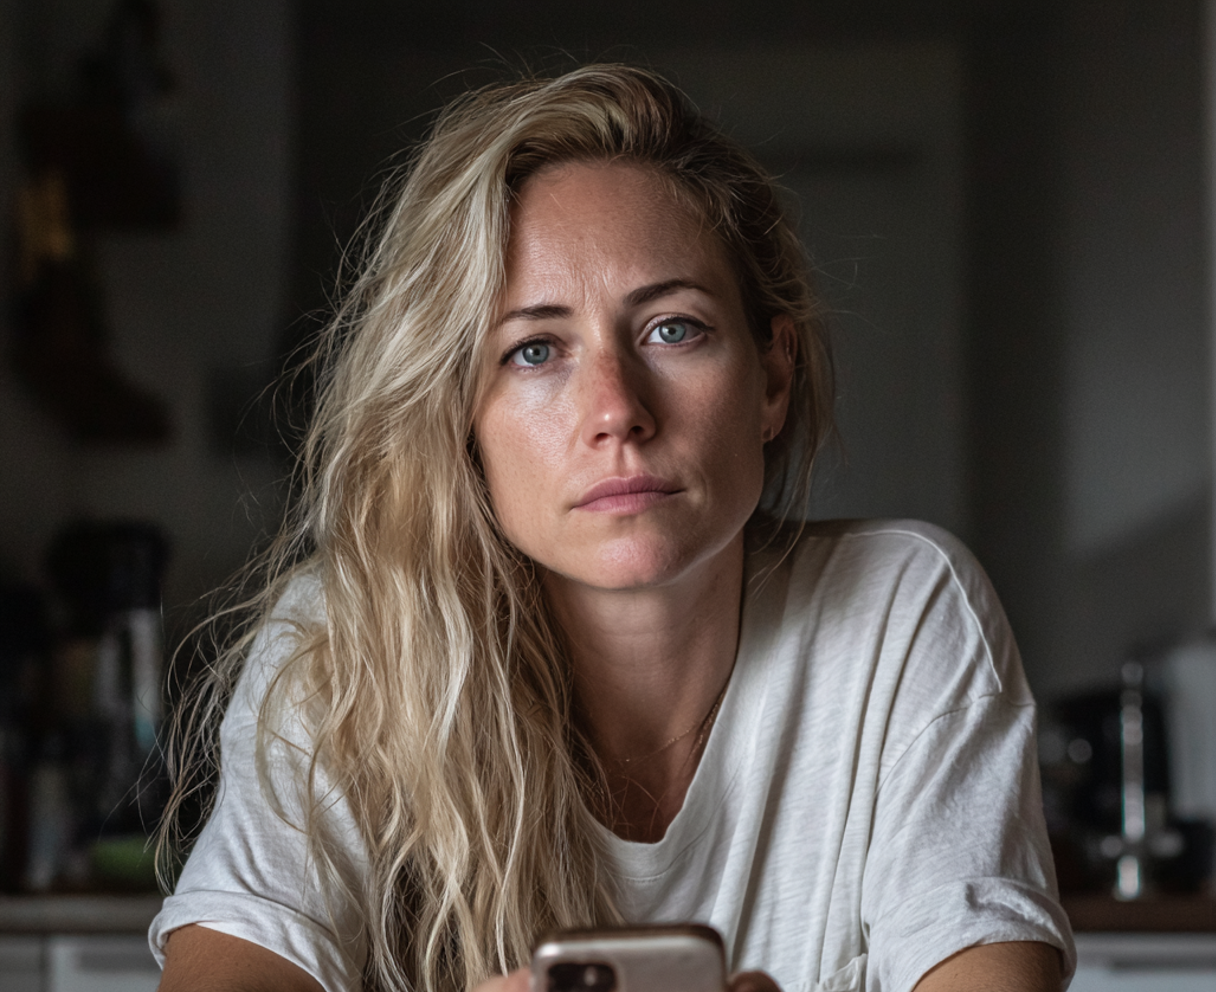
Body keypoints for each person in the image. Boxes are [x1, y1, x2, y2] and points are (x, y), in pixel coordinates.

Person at [153, 65, 1074, 992]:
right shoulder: (346, 641)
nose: (616, 411)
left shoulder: (902, 611)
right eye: (535, 350)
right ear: (457, 415)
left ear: (772, 379)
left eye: (673, 329)